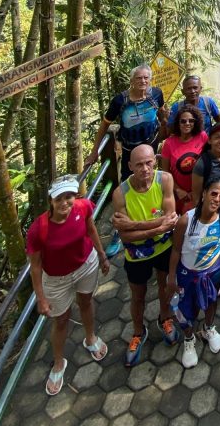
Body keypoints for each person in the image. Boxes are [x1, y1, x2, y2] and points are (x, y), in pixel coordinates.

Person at [27, 175, 110, 395]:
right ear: (51, 201)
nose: (65, 202)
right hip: (56, 279)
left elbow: (91, 230)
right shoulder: (39, 229)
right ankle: (58, 362)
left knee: (86, 301)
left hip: (85, 265)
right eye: (60, 198)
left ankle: (90, 337)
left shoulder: (82, 207)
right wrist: (41, 298)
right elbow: (35, 266)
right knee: (61, 320)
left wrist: (102, 256)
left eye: (69, 197)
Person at [86, 64, 169, 257]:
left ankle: (153, 216)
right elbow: (104, 126)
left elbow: (162, 112)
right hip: (130, 150)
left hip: (151, 145)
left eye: (146, 78)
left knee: (152, 181)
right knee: (125, 186)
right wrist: (94, 152)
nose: (143, 82)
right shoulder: (120, 101)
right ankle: (120, 230)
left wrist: (165, 121)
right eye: (139, 78)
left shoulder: (156, 94)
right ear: (131, 81)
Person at [111, 144, 180, 366]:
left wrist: (136, 225)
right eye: (139, 164)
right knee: (137, 295)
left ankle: (165, 317)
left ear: (156, 161)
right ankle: (138, 332)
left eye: (149, 162)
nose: (145, 169)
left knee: (165, 285)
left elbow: (170, 219)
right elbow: (126, 236)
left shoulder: (165, 180)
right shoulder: (120, 193)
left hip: (163, 247)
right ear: (130, 166)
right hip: (136, 253)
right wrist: (157, 228)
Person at [167, 177, 220, 368]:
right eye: (214, 193)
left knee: (211, 302)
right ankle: (189, 339)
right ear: (203, 194)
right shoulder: (186, 221)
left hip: (214, 270)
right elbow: (176, 250)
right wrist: (172, 277)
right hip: (188, 275)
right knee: (186, 310)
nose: (217, 199)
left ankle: (208, 328)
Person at [159, 104, 209, 214]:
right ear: (178, 123)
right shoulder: (169, 143)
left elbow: (209, 162)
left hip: (201, 190)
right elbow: (166, 172)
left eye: (191, 120)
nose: (187, 123)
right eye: (183, 121)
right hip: (180, 195)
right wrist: (177, 190)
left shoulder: (202, 136)